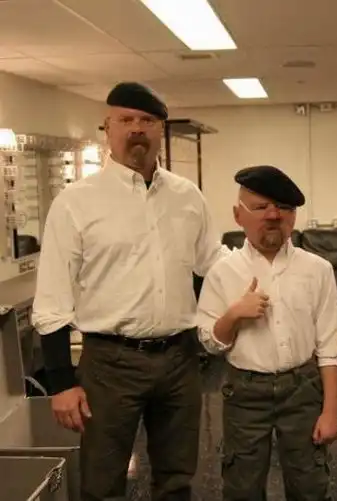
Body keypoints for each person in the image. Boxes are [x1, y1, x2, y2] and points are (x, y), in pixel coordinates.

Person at [32, 81, 230, 501]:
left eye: (147, 120)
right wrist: (61, 382)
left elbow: (214, 262)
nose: (137, 128)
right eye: (126, 119)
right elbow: (52, 299)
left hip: (179, 359)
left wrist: (273, 260)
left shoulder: (187, 197)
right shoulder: (75, 202)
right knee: (102, 482)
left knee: (177, 479)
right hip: (110, 363)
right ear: (108, 128)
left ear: (160, 129)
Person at [196, 165, 337, 501]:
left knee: (309, 486)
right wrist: (235, 314)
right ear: (238, 215)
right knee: (242, 486)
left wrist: (331, 411)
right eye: (261, 207)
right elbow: (210, 343)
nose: (274, 216)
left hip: (303, 389)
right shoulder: (223, 272)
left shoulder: (318, 270)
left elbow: (329, 348)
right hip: (245, 392)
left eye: (284, 208)